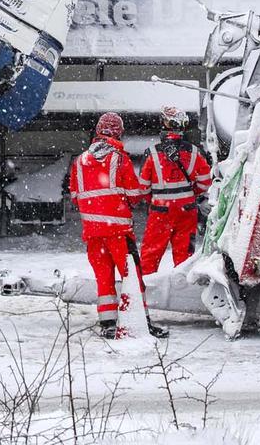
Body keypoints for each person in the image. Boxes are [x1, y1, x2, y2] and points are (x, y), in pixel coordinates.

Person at [69, 112, 167, 339]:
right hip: (118, 232)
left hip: (93, 234)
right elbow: (134, 194)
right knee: (132, 278)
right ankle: (142, 322)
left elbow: (75, 196)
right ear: (119, 133)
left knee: (104, 280)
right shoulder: (119, 159)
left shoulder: (80, 161)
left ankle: (108, 324)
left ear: (98, 131)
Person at [138, 106, 213, 276]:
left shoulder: (152, 154)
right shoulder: (195, 152)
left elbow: (143, 188)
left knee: (150, 254)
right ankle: (183, 290)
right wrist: (188, 194)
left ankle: (145, 291)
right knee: (184, 256)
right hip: (187, 210)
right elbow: (205, 183)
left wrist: (156, 197)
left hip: (160, 211)